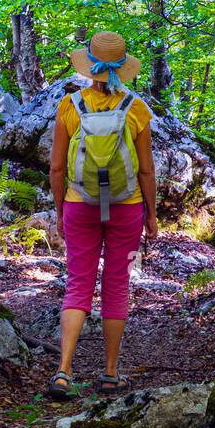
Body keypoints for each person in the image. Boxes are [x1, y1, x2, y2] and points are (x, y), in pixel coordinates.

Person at [47, 31, 158, 398]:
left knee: (78, 283)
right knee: (116, 283)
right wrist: (151, 215)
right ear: (123, 68)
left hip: (81, 206)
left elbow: (58, 168)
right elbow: (145, 171)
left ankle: (63, 370)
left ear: (89, 66)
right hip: (126, 208)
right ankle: (110, 372)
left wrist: (61, 210)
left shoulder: (70, 106)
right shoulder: (136, 108)